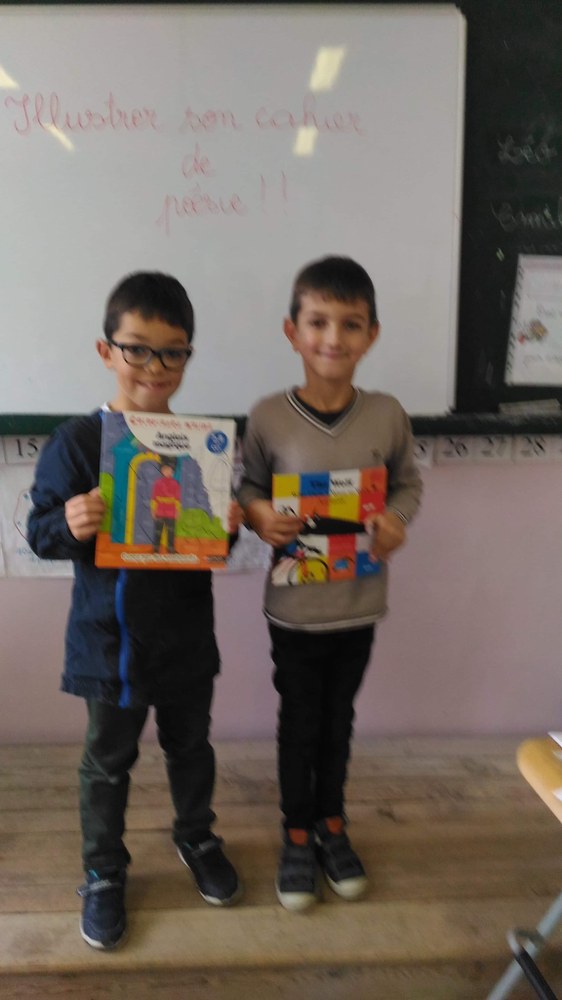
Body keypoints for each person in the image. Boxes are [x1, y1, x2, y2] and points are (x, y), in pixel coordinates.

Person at [27, 272, 243, 950]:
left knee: (191, 746)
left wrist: (226, 528)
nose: (155, 366)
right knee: (107, 761)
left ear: (188, 356)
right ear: (106, 351)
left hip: (185, 637)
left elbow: (208, 543)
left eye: (173, 351)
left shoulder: (199, 445)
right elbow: (39, 533)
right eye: (137, 349)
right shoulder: (76, 443)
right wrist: (70, 521)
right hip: (109, 642)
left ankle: (196, 836)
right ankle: (102, 870)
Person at [238, 256, 422, 912]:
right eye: (318, 322)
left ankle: (332, 825)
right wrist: (259, 515)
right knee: (299, 723)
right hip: (293, 611)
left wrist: (396, 522)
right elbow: (248, 486)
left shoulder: (387, 415)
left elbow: (407, 484)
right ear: (292, 332)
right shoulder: (267, 417)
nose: (333, 338)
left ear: (372, 334)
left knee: (338, 721)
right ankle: (296, 832)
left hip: (359, 605)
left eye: (351, 324)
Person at [151, 459, 181, 552]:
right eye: (165, 470)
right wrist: (153, 510)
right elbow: (154, 498)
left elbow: (177, 500)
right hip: (160, 511)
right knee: (158, 530)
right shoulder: (158, 483)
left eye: (170, 470)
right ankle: (156, 548)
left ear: (173, 472)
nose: (168, 472)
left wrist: (177, 511)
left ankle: (170, 548)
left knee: (171, 531)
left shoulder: (175, 484)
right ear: (162, 471)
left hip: (171, 511)